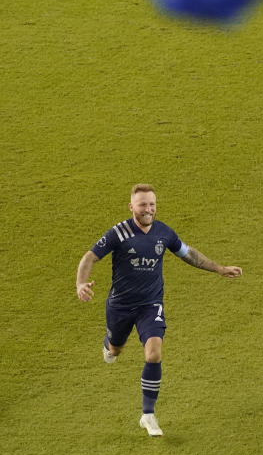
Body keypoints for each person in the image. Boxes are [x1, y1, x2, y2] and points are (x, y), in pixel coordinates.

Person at [75, 184, 242, 437]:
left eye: (152, 204)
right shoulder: (118, 233)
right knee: (115, 349)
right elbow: (89, 257)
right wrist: (80, 284)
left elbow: (188, 254)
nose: (148, 209)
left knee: (153, 353)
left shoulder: (164, 232)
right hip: (120, 305)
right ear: (132, 207)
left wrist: (219, 268)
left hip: (150, 305)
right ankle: (110, 344)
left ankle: (148, 415)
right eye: (143, 205)